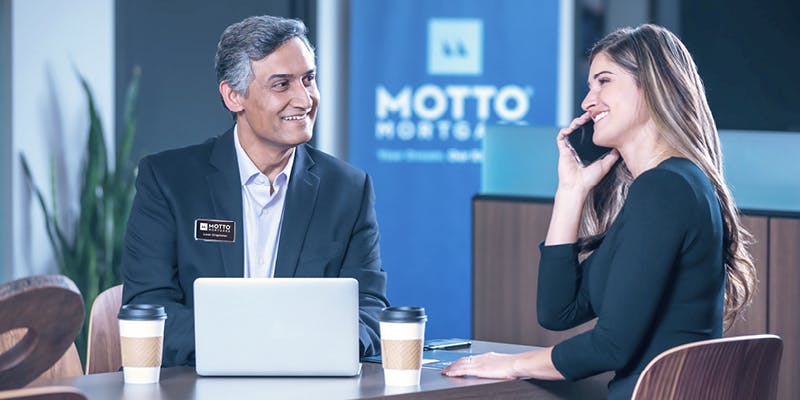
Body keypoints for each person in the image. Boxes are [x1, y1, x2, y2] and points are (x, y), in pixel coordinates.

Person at [443, 24, 756, 399]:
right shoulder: (665, 187)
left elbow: (612, 345)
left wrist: (512, 363)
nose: (587, 102)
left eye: (603, 81)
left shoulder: (666, 189)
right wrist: (571, 191)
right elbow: (557, 311)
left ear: (654, 85)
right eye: (589, 86)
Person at [121, 15, 389, 368]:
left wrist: (316, 348)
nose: (304, 99)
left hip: (306, 381)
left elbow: (368, 309)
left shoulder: (348, 190)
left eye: (308, 79)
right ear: (234, 96)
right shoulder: (168, 181)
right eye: (282, 85)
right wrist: (267, 344)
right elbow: (149, 310)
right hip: (193, 384)